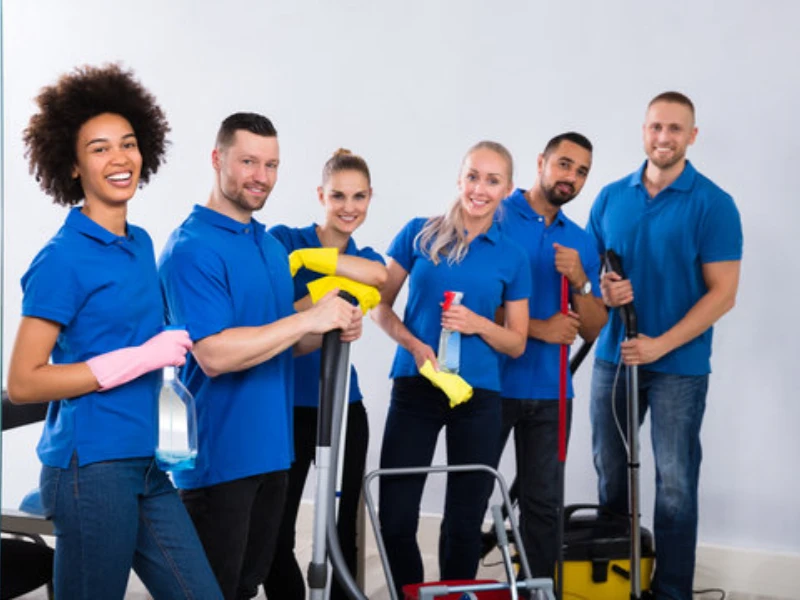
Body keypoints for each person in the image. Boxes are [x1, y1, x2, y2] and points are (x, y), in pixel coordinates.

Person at [7, 63, 222, 599]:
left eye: (128, 143)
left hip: (147, 462)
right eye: (99, 148)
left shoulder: (140, 242)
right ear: (72, 165)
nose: (119, 158)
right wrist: (140, 357)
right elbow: (24, 383)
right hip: (92, 471)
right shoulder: (62, 259)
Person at [157, 113, 363, 600]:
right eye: (248, 162)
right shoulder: (191, 249)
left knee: (248, 587)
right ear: (217, 159)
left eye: (271, 165)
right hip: (218, 462)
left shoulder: (269, 248)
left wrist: (330, 330)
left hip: (273, 453)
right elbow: (214, 355)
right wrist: (308, 319)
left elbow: (283, 342)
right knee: (212, 592)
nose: (261, 176)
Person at [586, 91, 742, 600]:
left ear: (692, 136)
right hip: (614, 360)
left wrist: (660, 345)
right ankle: (614, 582)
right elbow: (589, 280)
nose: (664, 137)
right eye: (656, 126)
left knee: (674, 483)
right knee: (611, 474)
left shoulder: (713, 204)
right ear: (643, 131)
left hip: (680, 366)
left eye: (675, 128)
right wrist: (604, 292)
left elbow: (723, 294)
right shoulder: (611, 197)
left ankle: (671, 592)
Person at [372, 141, 531, 596]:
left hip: (478, 397)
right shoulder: (417, 234)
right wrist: (412, 343)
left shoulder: (512, 256)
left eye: (492, 181)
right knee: (396, 516)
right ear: (460, 178)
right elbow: (379, 306)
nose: (480, 189)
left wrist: (479, 324)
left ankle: (455, 595)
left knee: (464, 522)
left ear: (507, 190)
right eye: (473, 176)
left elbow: (517, 342)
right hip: (416, 386)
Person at [263, 149, 387, 599]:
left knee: (343, 529)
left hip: (342, 407)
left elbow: (379, 276)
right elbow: (275, 320)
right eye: (338, 196)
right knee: (276, 528)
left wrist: (312, 267)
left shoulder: (365, 256)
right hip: (287, 407)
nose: (348, 207)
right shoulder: (282, 239)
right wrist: (322, 302)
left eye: (358, 197)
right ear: (321, 195)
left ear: (370, 198)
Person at [495, 132, 607, 579]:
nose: (571, 177)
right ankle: (456, 586)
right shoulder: (495, 214)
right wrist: (541, 329)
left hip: (552, 393)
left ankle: (538, 590)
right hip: (490, 384)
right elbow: (473, 301)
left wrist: (580, 281)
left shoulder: (580, 241)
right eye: (564, 164)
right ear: (540, 161)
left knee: (543, 507)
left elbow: (594, 329)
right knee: (470, 495)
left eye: (581, 172)